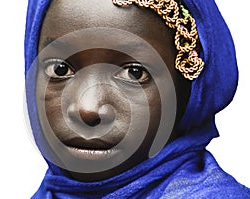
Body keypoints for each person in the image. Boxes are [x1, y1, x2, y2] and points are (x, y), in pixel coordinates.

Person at [24, 0, 250, 198]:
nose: (87, 108)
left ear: (189, 91)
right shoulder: (49, 192)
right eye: (60, 69)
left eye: (134, 73)